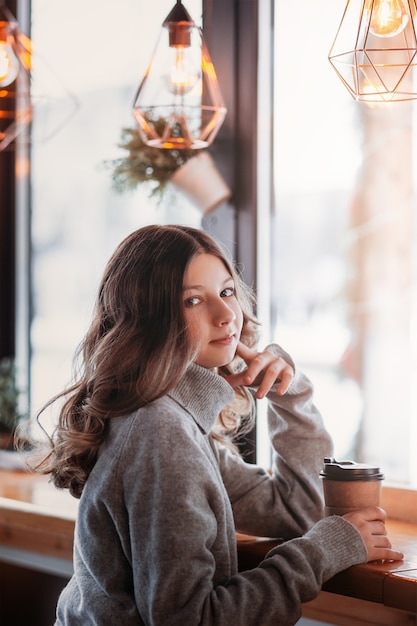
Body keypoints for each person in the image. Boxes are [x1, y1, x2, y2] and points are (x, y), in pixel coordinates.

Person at [31, 224, 403, 626]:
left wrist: (288, 391)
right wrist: (324, 550)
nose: (227, 315)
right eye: (193, 300)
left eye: (226, 292)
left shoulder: (171, 421)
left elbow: (299, 510)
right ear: (151, 321)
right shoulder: (161, 435)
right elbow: (189, 621)